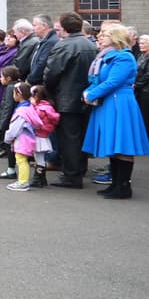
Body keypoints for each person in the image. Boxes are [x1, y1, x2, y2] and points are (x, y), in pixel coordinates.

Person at [81, 23, 149, 200]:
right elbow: (98, 80)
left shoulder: (124, 57)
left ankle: (124, 186)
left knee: (122, 143)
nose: (100, 37)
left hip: (120, 102)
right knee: (113, 142)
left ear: (115, 38)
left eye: (105, 35)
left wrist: (91, 94)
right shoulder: (105, 56)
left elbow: (113, 82)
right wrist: (88, 92)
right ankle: (115, 184)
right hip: (110, 101)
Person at [43, 12, 98, 189]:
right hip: (86, 97)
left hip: (66, 98)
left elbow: (52, 73)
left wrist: (49, 93)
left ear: (64, 27)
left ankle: (72, 176)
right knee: (81, 136)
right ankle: (79, 170)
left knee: (69, 139)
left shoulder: (64, 45)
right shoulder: (90, 45)